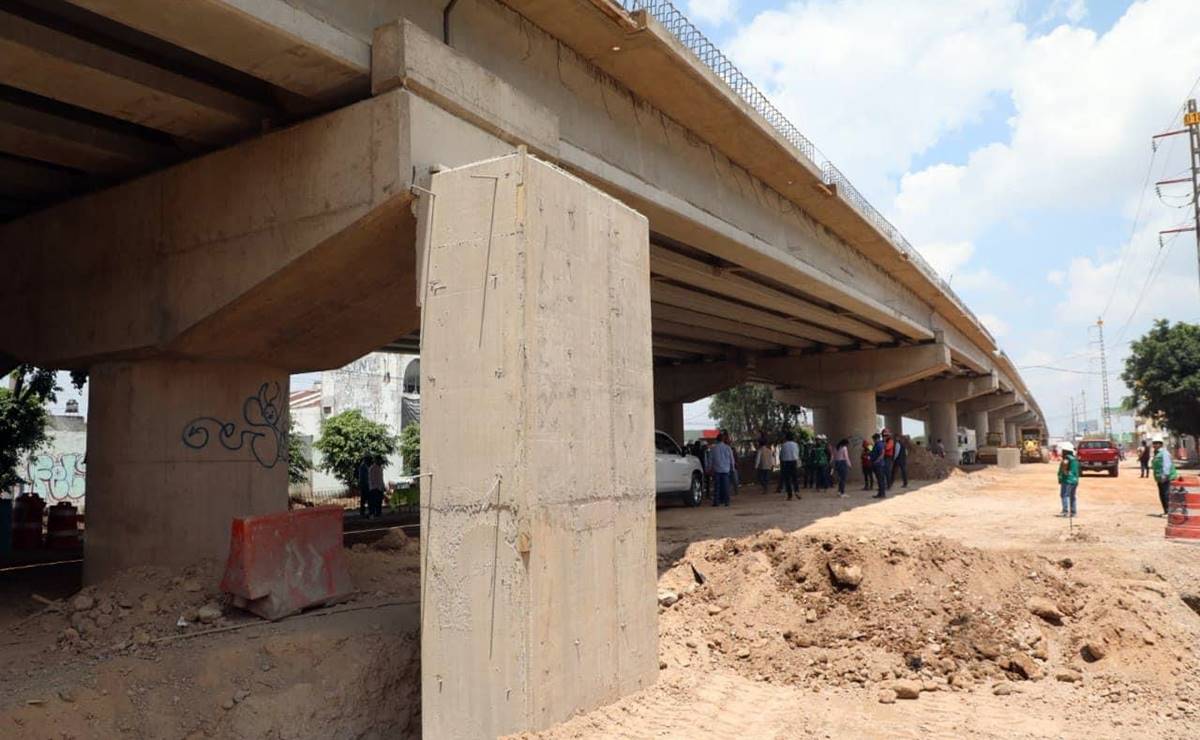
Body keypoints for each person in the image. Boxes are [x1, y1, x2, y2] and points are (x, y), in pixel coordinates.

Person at [707, 431, 736, 507]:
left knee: (717, 486)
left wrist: (709, 468)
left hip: (717, 469)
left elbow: (710, 459)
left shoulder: (713, 449)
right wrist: (732, 468)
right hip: (726, 470)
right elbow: (731, 459)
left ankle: (716, 502)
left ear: (716, 440)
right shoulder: (728, 448)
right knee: (726, 486)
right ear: (723, 439)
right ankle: (727, 502)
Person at [1151, 434, 1177, 517]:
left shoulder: (1164, 453)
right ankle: (1166, 511)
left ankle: (1169, 512)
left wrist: (1164, 476)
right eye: (1154, 443)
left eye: (1157, 443)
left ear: (1161, 444)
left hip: (1166, 478)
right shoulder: (1157, 453)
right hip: (1160, 478)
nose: (1155, 445)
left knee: (1166, 495)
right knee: (1162, 495)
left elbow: (1167, 465)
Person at [1057, 442, 1080, 517]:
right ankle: (1073, 512)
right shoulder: (1075, 459)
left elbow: (1065, 466)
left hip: (1067, 480)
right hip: (1075, 480)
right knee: (1072, 496)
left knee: (1064, 495)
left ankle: (1065, 511)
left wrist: (1063, 473)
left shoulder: (1067, 458)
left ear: (1065, 451)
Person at [778, 431, 801, 500]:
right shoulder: (795, 444)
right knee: (795, 477)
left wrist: (781, 461)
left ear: (786, 437)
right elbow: (797, 453)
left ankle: (789, 495)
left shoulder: (784, 445)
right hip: (794, 461)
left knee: (787, 479)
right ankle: (796, 491)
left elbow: (781, 455)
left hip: (786, 463)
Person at [869, 431, 888, 499]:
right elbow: (873, 452)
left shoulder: (879, 444)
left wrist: (876, 461)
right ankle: (880, 493)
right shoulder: (876, 444)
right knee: (879, 480)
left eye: (873, 439)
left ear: (876, 438)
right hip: (877, 464)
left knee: (880, 480)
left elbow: (882, 454)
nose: (873, 440)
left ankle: (882, 494)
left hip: (879, 465)